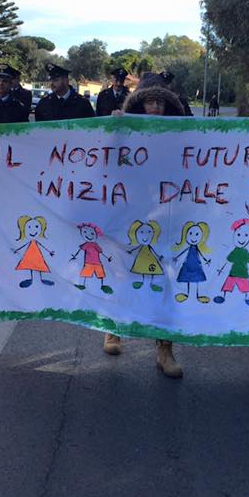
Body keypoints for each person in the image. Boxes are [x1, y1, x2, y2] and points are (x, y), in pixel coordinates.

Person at [104, 73, 190, 378]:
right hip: (130, 214)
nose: (155, 107)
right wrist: (116, 131)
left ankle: (164, 349)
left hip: (167, 217)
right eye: (150, 101)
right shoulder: (126, 132)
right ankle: (113, 329)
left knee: (164, 282)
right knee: (123, 273)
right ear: (139, 104)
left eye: (160, 102)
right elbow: (108, 162)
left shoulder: (182, 136)